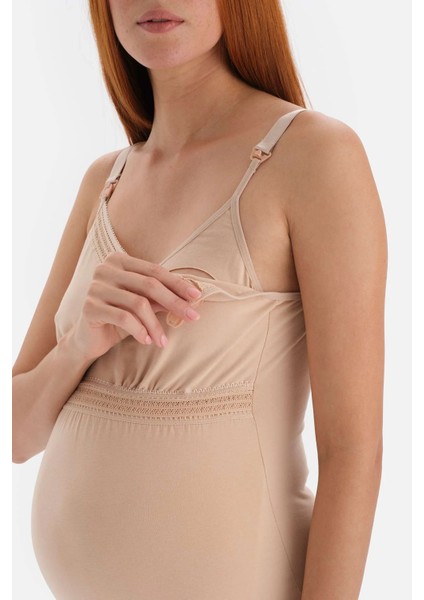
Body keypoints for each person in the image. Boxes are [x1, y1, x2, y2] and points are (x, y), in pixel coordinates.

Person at [12, 1, 387, 598]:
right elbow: (17, 434)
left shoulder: (313, 154)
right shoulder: (104, 180)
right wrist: (79, 344)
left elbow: (350, 451)